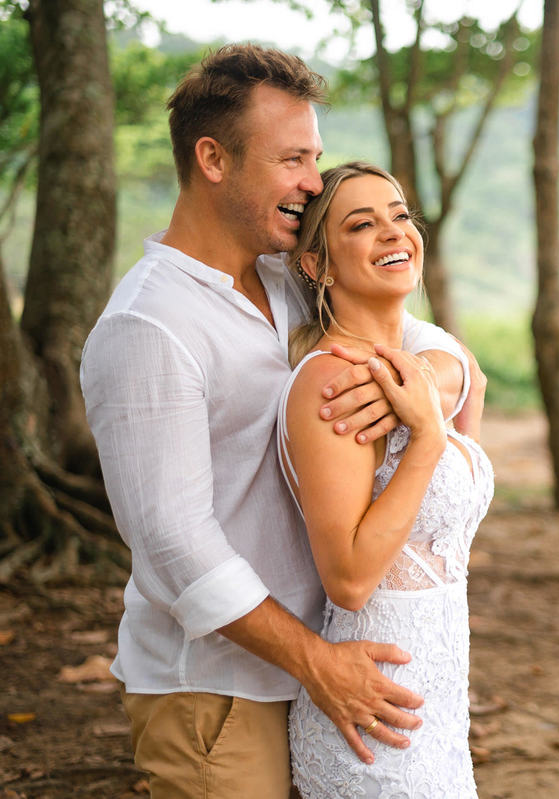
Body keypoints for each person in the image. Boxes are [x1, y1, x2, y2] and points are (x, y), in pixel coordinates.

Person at [80, 45, 476, 798]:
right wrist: (317, 663)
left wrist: (425, 381)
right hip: (220, 693)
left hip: (328, 666)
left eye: (314, 158)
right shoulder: (148, 325)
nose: (312, 182)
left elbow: (428, 339)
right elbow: (174, 546)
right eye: (292, 159)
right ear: (213, 159)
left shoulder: (285, 276)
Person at [278, 161, 491, 798]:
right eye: (361, 225)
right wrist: (426, 438)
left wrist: (438, 388)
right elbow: (347, 579)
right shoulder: (333, 381)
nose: (394, 232)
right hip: (375, 706)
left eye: (400, 215)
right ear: (316, 266)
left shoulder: (417, 367)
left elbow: (472, 384)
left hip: (439, 698)